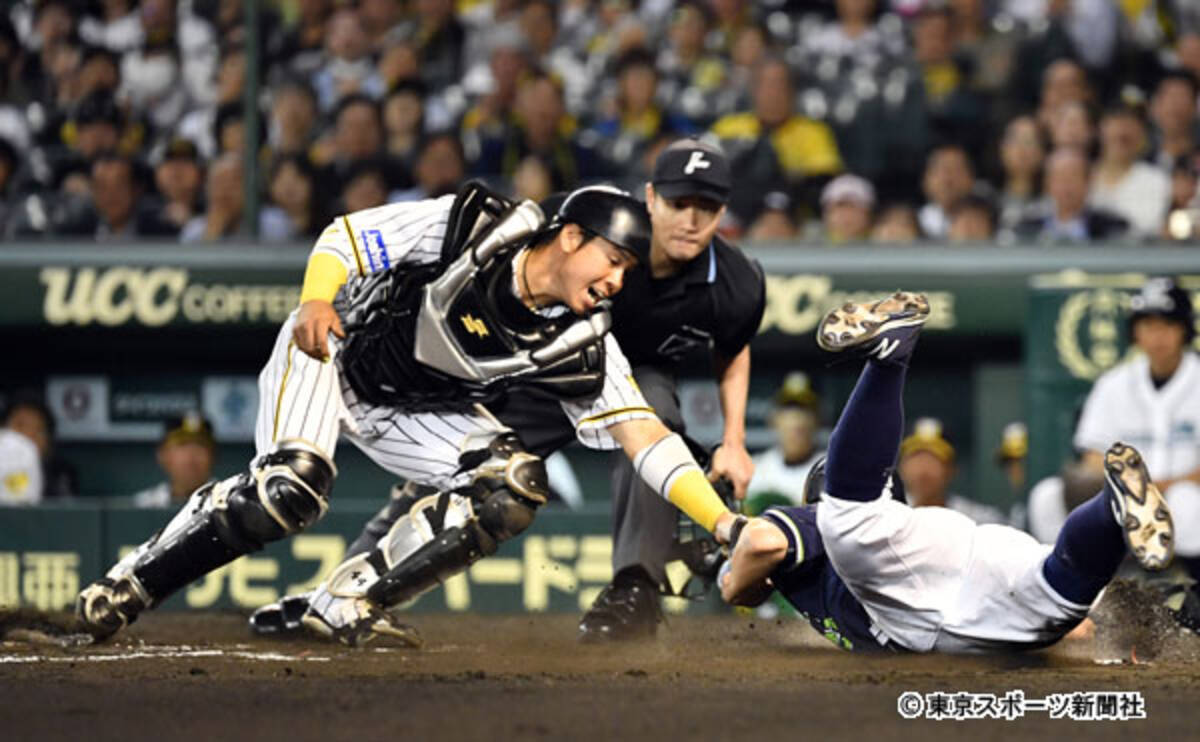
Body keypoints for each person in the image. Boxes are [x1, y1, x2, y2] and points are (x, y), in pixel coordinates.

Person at [77, 180, 740, 645]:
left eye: (627, 270)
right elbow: (349, 235)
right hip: (335, 354)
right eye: (613, 260)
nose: (617, 282)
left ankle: (345, 604)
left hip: (416, 409)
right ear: (570, 237)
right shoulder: (477, 227)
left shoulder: (585, 341)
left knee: (509, 489)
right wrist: (315, 299)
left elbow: (646, 436)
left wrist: (723, 523)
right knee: (286, 492)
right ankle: (132, 584)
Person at [250, 138, 765, 644]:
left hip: (622, 379)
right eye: (679, 203)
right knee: (453, 478)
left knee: (650, 418)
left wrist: (735, 439)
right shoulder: (583, 221)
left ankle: (635, 589)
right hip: (534, 370)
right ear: (651, 198)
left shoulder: (736, 281)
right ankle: (342, 593)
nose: (691, 219)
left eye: (708, 206)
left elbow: (732, 346)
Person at [719, 291, 1175, 652]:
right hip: (970, 564)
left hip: (911, 583)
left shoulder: (818, 529)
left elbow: (762, 541)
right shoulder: (879, 540)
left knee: (848, 523)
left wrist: (732, 582)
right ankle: (1109, 510)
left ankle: (888, 359)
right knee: (1054, 593)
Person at [1072, 276, 1200, 579]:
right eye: (1148, 326)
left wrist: (1155, 491)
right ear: (1135, 333)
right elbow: (1092, 455)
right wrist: (1129, 493)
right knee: (1046, 498)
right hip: (1122, 496)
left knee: (1186, 501)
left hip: (1183, 493)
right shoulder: (1114, 383)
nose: (1157, 336)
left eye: (1167, 325)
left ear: (1184, 329)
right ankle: (1067, 598)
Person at [897, 417, 1009, 525]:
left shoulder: (979, 522)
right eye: (916, 458)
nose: (924, 468)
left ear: (952, 469)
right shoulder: (886, 521)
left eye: (935, 459)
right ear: (901, 467)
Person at [746, 372, 825, 509]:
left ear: (818, 419)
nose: (796, 421)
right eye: (788, 409)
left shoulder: (830, 472)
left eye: (804, 410)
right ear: (773, 419)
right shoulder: (754, 471)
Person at [131, 413, 217, 509]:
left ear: (212, 455)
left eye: (200, 445)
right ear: (162, 455)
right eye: (182, 445)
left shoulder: (230, 503)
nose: (191, 456)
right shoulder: (144, 505)